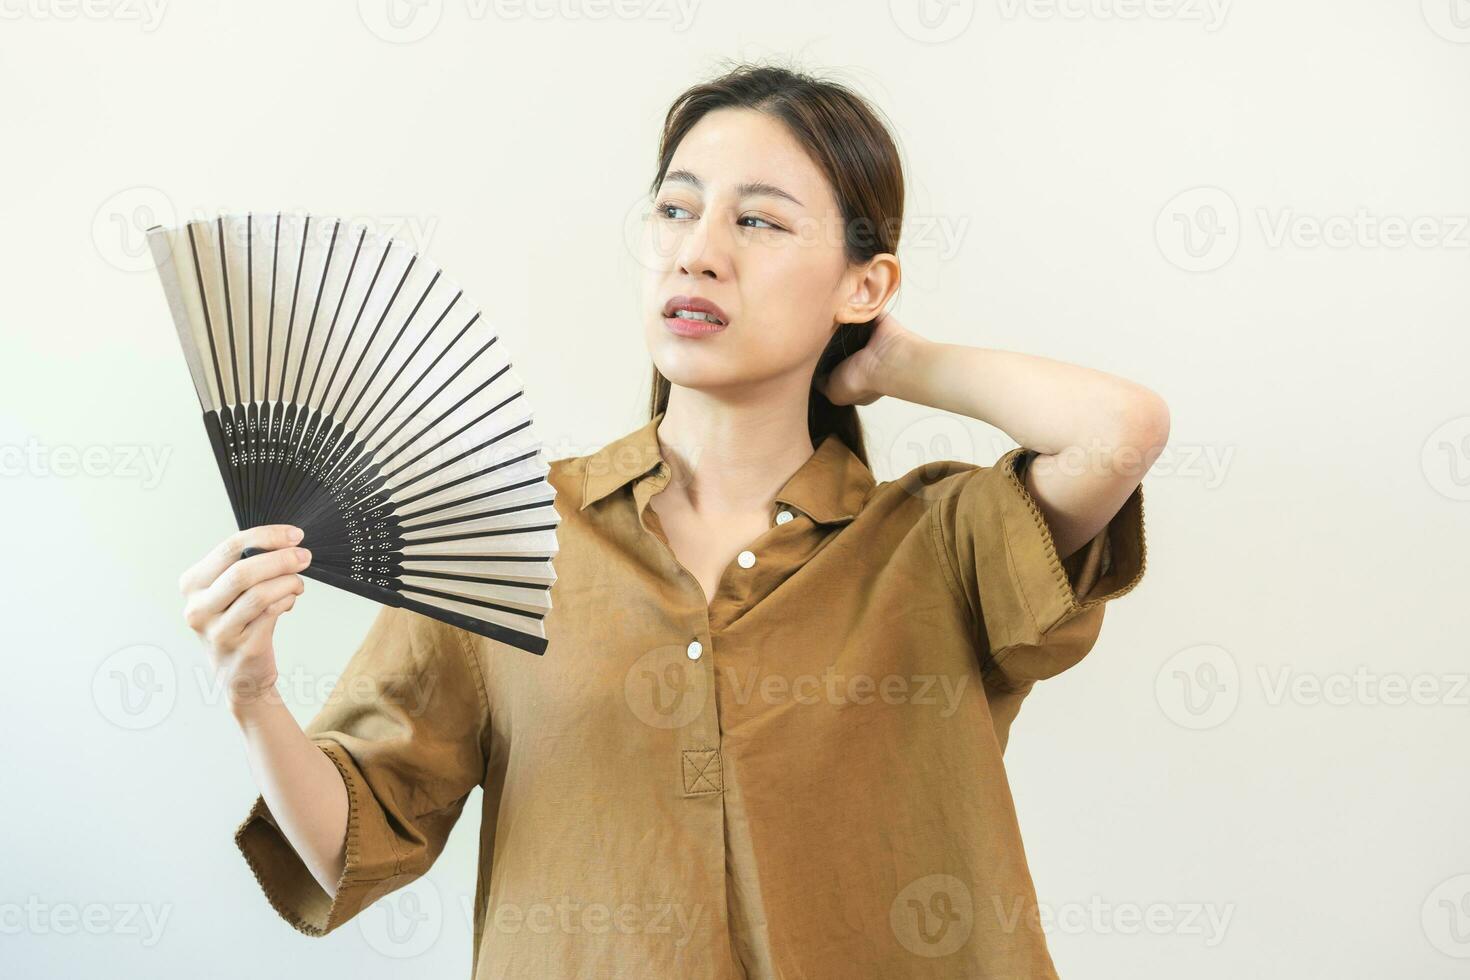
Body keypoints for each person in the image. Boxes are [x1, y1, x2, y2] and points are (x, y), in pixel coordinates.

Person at [178, 61, 1164, 979]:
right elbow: (353, 834)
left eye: (760, 223)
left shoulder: (942, 541)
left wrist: (895, 359)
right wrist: (255, 695)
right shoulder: (514, 535)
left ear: (865, 281)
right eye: (676, 209)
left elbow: (1121, 430)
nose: (699, 251)